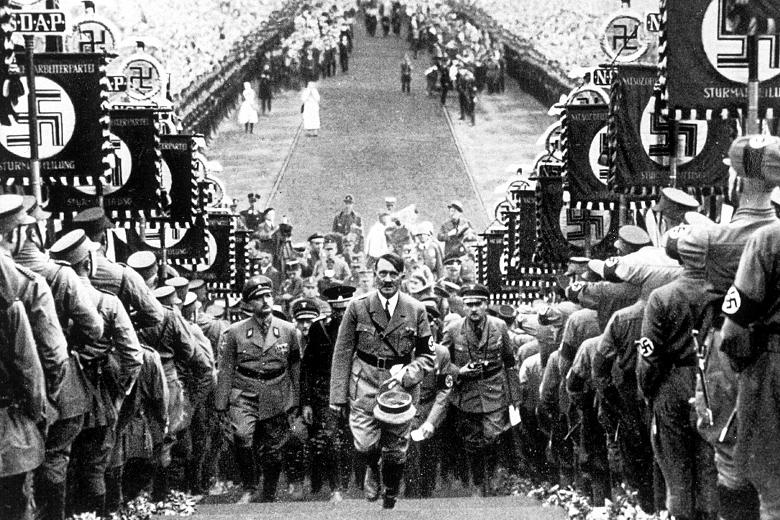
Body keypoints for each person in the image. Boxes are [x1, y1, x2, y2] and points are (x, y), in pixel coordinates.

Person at [329, 253, 435, 509]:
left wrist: (408, 374)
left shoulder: (415, 309)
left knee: (396, 449)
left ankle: (390, 494)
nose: (387, 279)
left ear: (401, 276)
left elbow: (427, 356)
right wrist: (337, 397)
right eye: (382, 273)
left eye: (392, 274)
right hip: (364, 382)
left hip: (400, 388)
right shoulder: (358, 307)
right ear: (375, 274)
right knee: (365, 443)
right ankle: (371, 470)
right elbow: (342, 352)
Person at [215, 276, 301, 504]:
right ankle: (250, 486)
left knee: (273, 448)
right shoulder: (235, 332)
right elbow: (225, 369)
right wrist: (221, 404)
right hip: (245, 393)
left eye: (268, 296)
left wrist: (297, 399)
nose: (265, 301)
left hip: (276, 392)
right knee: (242, 436)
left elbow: (295, 366)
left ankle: (269, 493)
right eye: (258, 298)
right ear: (248, 304)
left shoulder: (288, 330)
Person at [441, 283, 522, 496]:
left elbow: (509, 362)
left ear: (486, 304)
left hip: (494, 389)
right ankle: (478, 482)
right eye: (469, 305)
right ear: (464, 306)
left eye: (478, 304)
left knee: (493, 436)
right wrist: (459, 371)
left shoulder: (499, 326)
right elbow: (441, 363)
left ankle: (492, 478)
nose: (474, 309)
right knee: (472, 441)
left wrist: (515, 396)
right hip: (466, 392)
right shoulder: (453, 329)